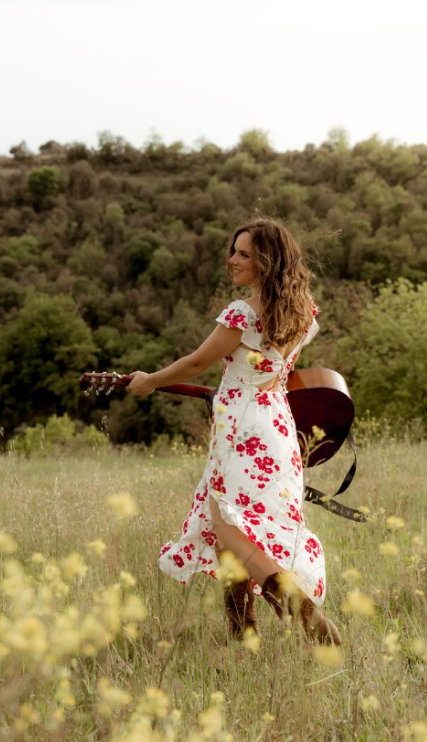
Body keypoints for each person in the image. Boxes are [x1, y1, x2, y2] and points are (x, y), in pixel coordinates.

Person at [126, 218, 340, 645]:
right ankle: (244, 636)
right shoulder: (302, 309)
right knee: (241, 529)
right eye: (233, 251)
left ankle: (302, 609)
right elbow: (274, 370)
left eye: (245, 254)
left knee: (229, 527)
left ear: (267, 261)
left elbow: (195, 363)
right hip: (276, 423)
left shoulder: (242, 312)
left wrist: (150, 380)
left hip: (243, 427)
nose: (233, 260)